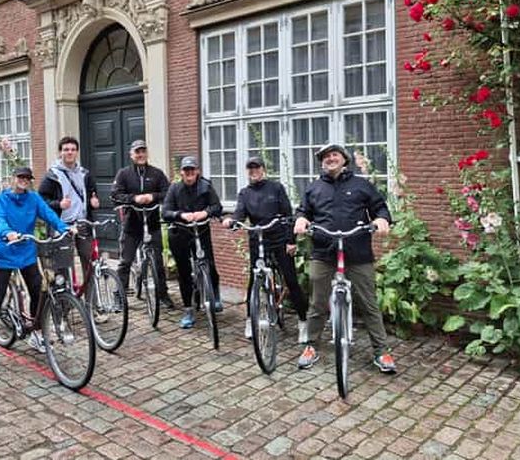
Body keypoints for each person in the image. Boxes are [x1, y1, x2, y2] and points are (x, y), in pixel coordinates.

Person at [293, 143, 395, 373]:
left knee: (369, 303)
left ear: (344, 159)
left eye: (335, 154)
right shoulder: (314, 188)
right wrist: (300, 220)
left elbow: (380, 208)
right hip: (323, 250)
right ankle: (311, 346)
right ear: (322, 161)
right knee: (317, 304)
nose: (330, 158)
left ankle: (382, 351)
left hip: (357, 251)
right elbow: (302, 211)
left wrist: (381, 220)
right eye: (326, 156)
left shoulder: (361, 185)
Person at [0, 166, 73, 366]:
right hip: (7, 252)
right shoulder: (0, 200)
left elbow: (48, 214)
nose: (24, 180)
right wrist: (7, 233)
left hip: (27, 252)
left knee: (38, 292)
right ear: (13, 178)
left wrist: (65, 228)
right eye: (20, 177)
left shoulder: (33, 198)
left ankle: (35, 332)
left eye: (27, 178)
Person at [222, 156, 308, 341]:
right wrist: (232, 221)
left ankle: (303, 322)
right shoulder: (245, 193)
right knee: (254, 281)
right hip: (257, 239)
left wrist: (290, 241)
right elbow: (239, 213)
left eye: (256, 167)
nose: (253, 171)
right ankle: (250, 320)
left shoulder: (275, 188)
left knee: (291, 279)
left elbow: (287, 214)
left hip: (278, 238)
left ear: (263, 169)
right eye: (250, 168)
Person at [111, 140, 174, 309]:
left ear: (147, 153)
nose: (140, 155)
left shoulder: (157, 173)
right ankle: (120, 295)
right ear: (131, 155)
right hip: (132, 224)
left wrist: (152, 197)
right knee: (125, 261)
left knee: (158, 261)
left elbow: (168, 192)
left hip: (152, 223)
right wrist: (134, 199)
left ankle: (162, 294)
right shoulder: (124, 174)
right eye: (137, 152)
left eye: (143, 151)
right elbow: (115, 194)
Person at [162, 156, 223, 328]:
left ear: (197, 171)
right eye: (186, 171)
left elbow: (217, 207)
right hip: (180, 233)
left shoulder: (206, 186)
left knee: (209, 264)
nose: (189, 174)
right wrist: (180, 215)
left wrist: (205, 212)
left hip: (201, 231)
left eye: (192, 170)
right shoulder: (174, 189)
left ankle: (215, 294)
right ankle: (188, 309)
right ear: (181, 172)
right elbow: (165, 212)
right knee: (184, 272)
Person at [38, 136, 100, 284]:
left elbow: (92, 194)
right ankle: (65, 303)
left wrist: (94, 202)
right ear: (60, 152)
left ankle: (89, 302)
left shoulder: (85, 173)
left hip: (82, 224)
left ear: (77, 152)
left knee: (89, 263)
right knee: (63, 266)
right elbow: (41, 201)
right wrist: (59, 204)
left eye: (73, 149)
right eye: (66, 150)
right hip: (62, 226)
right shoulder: (52, 175)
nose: (69, 152)